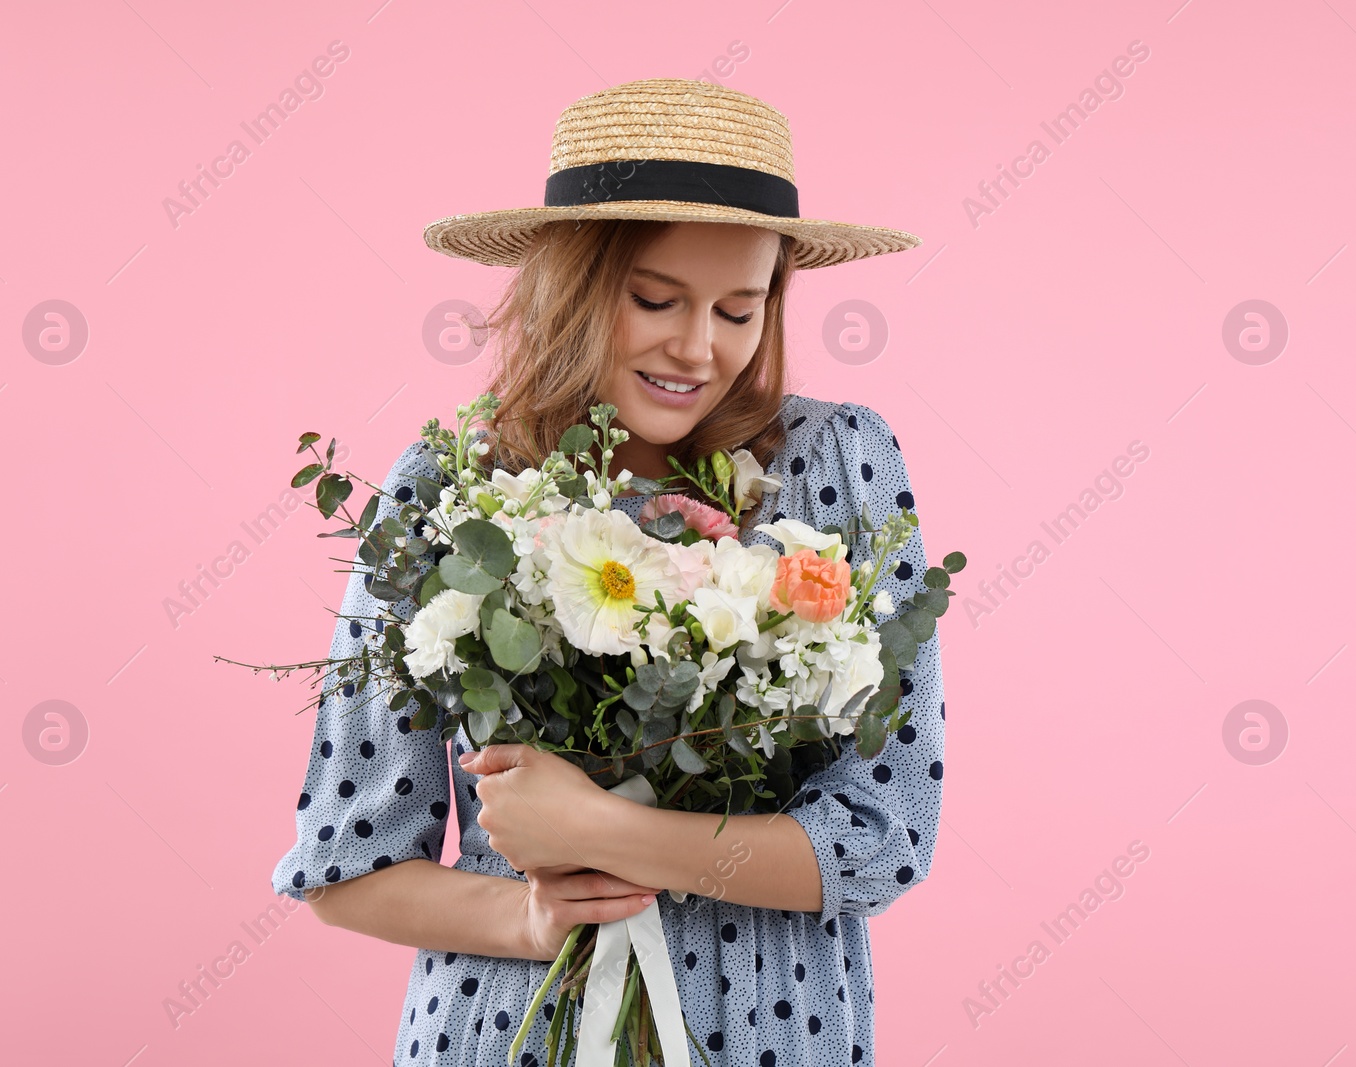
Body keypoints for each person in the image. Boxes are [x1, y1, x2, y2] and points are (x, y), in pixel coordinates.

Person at [270, 77, 946, 1066]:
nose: (696, 346)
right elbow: (345, 866)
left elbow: (885, 830)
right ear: (572, 284)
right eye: (654, 298)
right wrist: (531, 922)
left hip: (769, 1037)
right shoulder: (450, 492)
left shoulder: (835, 461)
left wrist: (602, 827)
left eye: (738, 308)